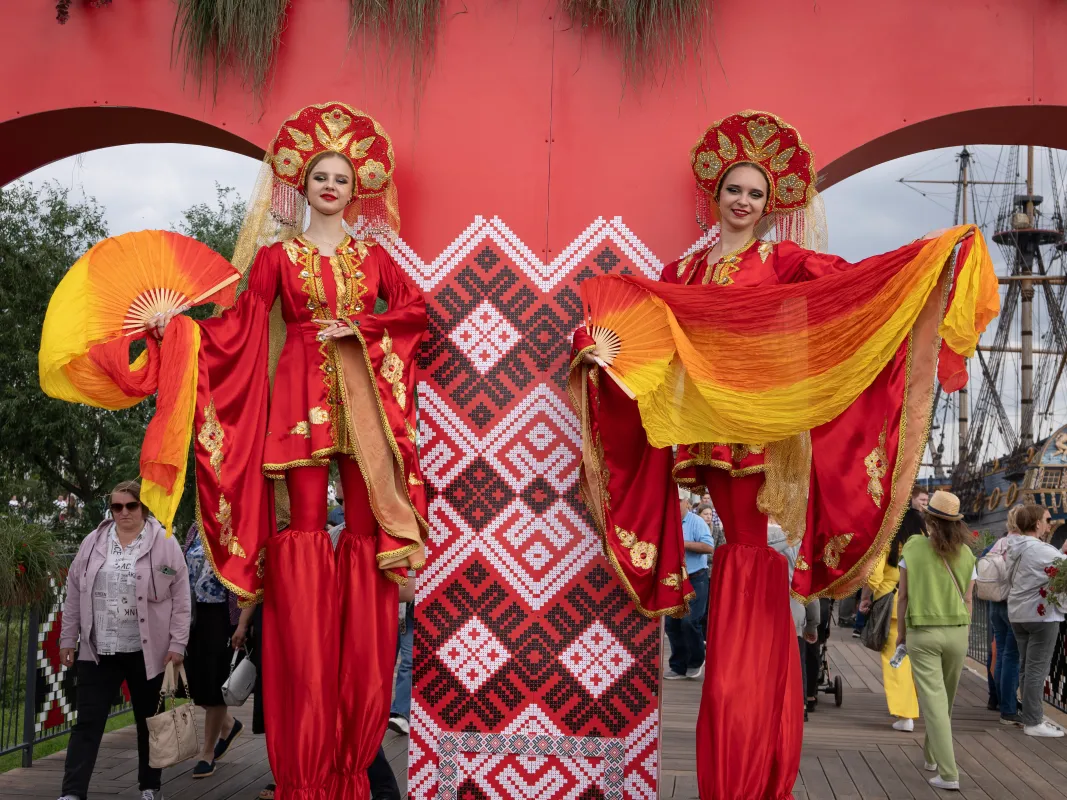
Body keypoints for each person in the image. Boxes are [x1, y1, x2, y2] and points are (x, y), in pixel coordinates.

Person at [568, 110, 997, 799]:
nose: (743, 202)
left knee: (746, 550)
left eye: (756, 195)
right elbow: (645, 333)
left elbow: (853, 287)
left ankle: (750, 735)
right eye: (734, 190)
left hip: (758, 429)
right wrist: (602, 353)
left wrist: (930, 260)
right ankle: (742, 727)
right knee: (740, 552)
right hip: (705, 429)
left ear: (771, 207)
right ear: (715, 195)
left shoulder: (784, 261)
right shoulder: (682, 269)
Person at [148, 102, 428, 800]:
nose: (330, 185)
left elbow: (417, 314)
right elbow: (236, 326)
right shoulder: (276, 258)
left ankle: (358, 711)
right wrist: (178, 331)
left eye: (340, 177)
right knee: (304, 532)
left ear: (355, 188)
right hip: (300, 394)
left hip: (362, 397)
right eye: (318, 176)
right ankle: (304, 729)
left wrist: (360, 327)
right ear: (299, 187)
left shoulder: (375, 260)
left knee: (363, 535)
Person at [56, 481, 190, 800]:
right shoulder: (93, 542)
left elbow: (182, 595)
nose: (124, 512)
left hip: (147, 650)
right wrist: (67, 638)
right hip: (98, 648)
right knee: (87, 722)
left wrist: (177, 644)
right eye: (117, 507)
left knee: (149, 722)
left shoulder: (164, 542)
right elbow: (74, 592)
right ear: (111, 509)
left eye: (131, 506)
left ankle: (149, 786)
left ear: (143, 507)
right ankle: (73, 792)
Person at [896, 490, 976, 791]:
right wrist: (963, 634)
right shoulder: (968, 555)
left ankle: (949, 773)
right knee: (945, 701)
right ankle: (931, 755)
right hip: (957, 632)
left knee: (933, 701)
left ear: (928, 518)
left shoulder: (914, 548)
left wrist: (902, 636)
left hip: (923, 631)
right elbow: (969, 600)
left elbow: (903, 596)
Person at [183, 523, 245, 777]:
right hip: (192, 614)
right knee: (195, 684)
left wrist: (242, 624)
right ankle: (228, 725)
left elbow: (247, 572)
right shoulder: (195, 527)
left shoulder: (239, 524)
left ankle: (207, 753)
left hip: (223, 615)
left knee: (215, 683)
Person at [1006, 503, 1065, 738]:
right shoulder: (1041, 549)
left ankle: (1029, 714)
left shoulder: (1014, 546)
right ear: (1037, 523)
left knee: (1025, 667)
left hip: (1018, 614)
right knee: (1037, 669)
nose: (1050, 524)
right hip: (1041, 616)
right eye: (1048, 520)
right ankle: (1034, 721)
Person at [859, 516, 921, 732]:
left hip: (892, 605)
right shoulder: (923, 541)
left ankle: (905, 714)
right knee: (917, 660)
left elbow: (874, 577)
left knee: (896, 661)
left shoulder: (887, 540)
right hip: (919, 605)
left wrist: (865, 598)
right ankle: (917, 706)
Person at [665, 492, 714, 680]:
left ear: (686, 502)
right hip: (674, 578)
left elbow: (709, 547)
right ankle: (678, 666)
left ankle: (695, 660)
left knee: (690, 621)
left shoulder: (697, 522)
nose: (674, 505)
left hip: (696, 577)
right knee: (672, 624)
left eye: (677, 501)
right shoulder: (667, 520)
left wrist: (681, 544)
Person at [984, 505, 1022, 724]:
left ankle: (998, 699)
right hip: (1011, 603)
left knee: (1000, 654)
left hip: (994, 602)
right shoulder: (1021, 544)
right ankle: (1008, 708)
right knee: (1011, 657)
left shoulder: (1000, 542)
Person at [388, 571, 416, 735]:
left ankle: (401, 713)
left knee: (408, 662)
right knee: (382, 662)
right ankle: (376, 710)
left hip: (410, 606)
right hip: (391, 603)